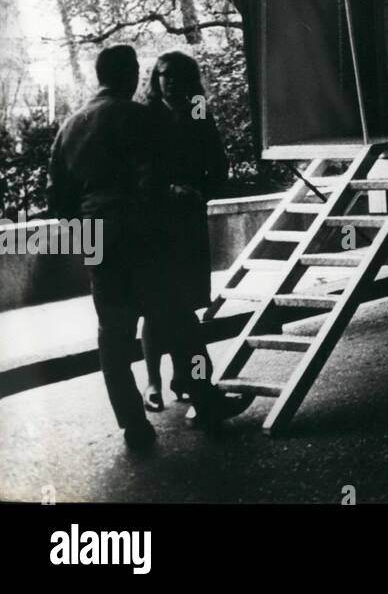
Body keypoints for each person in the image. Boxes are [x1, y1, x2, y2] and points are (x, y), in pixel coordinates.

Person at [46, 46, 250, 451]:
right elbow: (160, 176)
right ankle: (205, 402)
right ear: (132, 75)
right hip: (144, 238)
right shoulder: (139, 118)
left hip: (99, 242)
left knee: (113, 337)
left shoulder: (69, 126)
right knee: (180, 321)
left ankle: (134, 426)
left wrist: (89, 231)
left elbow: (58, 201)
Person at [139, 52, 230, 412]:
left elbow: (217, 163)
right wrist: (166, 191)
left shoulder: (196, 111)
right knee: (156, 306)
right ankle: (156, 382)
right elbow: (136, 172)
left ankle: (183, 380)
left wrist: (199, 193)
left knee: (186, 303)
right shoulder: (144, 116)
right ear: (155, 78)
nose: (172, 82)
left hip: (188, 222)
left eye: (180, 76)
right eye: (165, 75)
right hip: (153, 224)